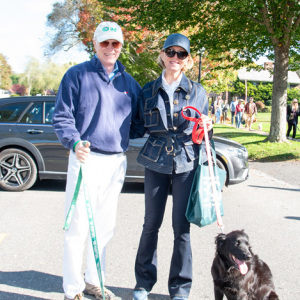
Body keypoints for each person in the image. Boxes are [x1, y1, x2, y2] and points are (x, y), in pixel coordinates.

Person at [52, 21, 141, 300]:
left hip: (116, 162)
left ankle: (94, 281)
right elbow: (62, 116)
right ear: (95, 45)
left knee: (104, 227)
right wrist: (74, 141)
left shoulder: (130, 83)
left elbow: (138, 123)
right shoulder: (77, 75)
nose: (110, 48)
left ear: (121, 46)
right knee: (77, 227)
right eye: (105, 43)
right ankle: (72, 289)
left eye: (115, 43)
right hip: (85, 159)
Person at [130, 33, 213, 300]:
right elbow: (137, 126)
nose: (175, 58)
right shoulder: (147, 90)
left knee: (182, 227)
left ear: (187, 60)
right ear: (162, 55)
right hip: (155, 160)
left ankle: (180, 289)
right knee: (150, 224)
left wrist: (208, 127)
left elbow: (201, 131)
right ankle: (143, 283)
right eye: (170, 52)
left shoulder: (198, 91)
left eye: (181, 54)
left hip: (186, 161)